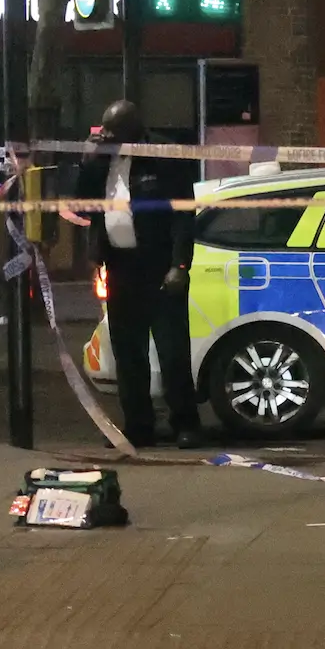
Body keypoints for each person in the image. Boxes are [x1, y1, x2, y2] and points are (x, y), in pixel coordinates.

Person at [76, 101, 205, 449]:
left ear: (135, 130)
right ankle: (138, 425)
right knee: (128, 354)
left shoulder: (162, 157)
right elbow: (82, 207)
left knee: (172, 352)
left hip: (160, 268)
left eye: (113, 132)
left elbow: (183, 215)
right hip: (121, 268)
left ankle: (186, 423)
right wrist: (88, 163)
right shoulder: (103, 162)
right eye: (104, 131)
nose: (107, 137)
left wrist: (180, 265)